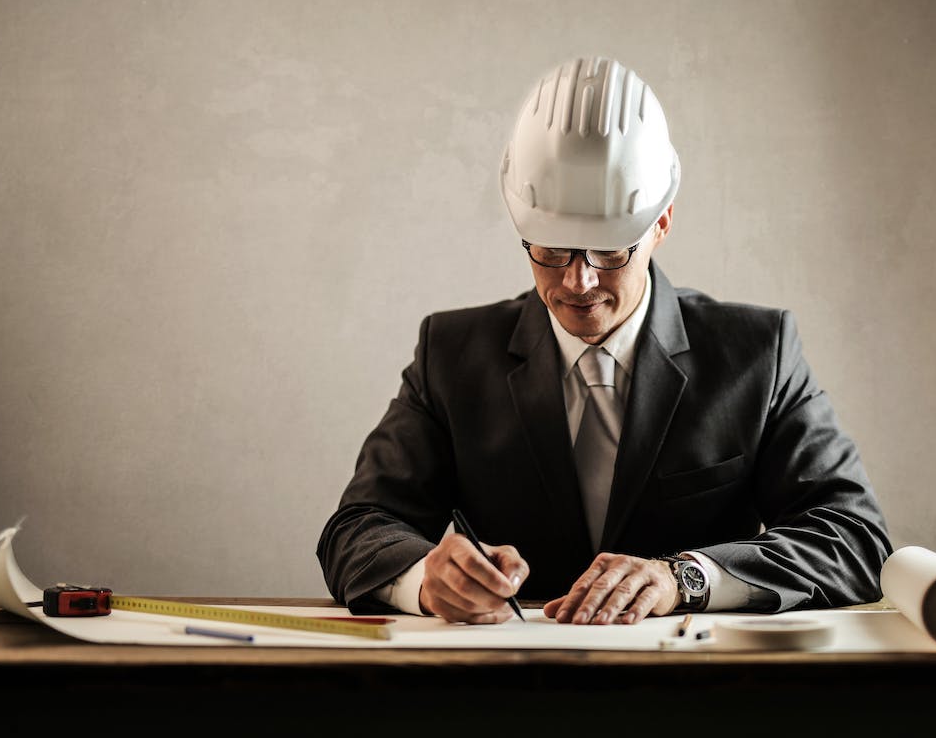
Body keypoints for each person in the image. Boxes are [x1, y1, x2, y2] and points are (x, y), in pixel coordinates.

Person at [317, 56, 891, 625]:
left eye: (611, 251)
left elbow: (855, 537)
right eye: (550, 249)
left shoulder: (758, 354)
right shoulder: (451, 353)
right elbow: (357, 529)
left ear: (661, 224)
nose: (577, 281)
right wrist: (425, 580)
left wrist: (683, 578)